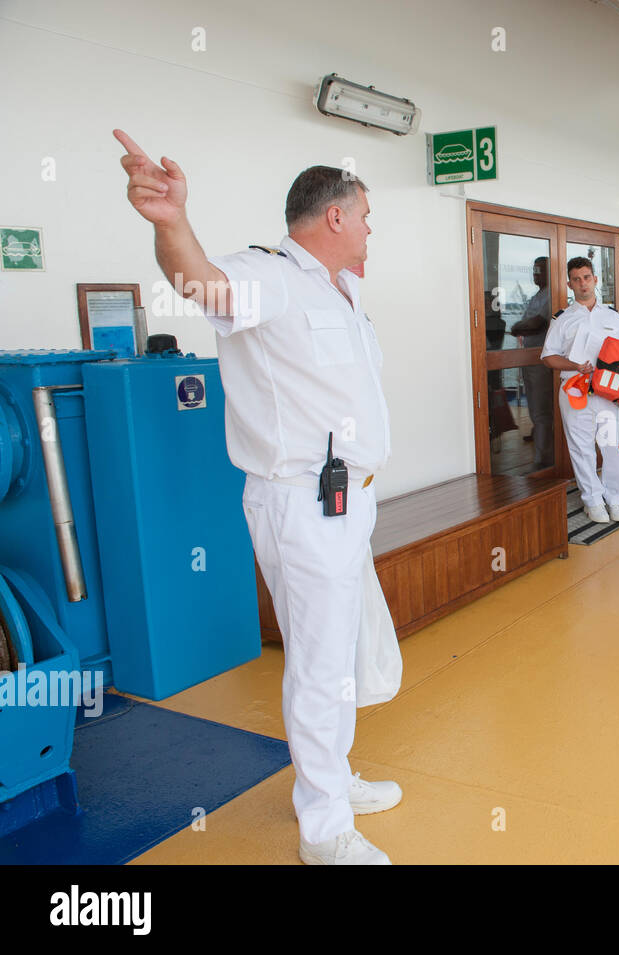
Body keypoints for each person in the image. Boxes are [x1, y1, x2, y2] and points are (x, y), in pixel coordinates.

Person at [114, 130, 399, 865]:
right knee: (319, 661)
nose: (371, 228)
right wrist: (171, 222)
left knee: (345, 647)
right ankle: (324, 829)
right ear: (334, 217)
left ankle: (333, 778)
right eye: (365, 214)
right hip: (302, 503)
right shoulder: (267, 276)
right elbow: (201, 283)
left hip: (348, 501)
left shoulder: (341, 290)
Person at [542, 257, 619, 524]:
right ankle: (593, 501)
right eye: (576, 279)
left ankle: (615, 499)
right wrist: (574, 365)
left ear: (595, 279)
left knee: (616, 446)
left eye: (586, 277)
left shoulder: (614, 318)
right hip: (575, 389)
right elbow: (549, 357)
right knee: (581, 448)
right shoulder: (563, 319)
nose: (582, 283)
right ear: (569, 284)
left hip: (609, 393)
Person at [510, 256, 555, 470]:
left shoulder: (551, 295)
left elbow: (536, 324)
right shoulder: (537, 295)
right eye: (534, 270)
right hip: (529, 360)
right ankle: (542, 453)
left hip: (541, 362)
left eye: (539, 270)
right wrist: (520, 326)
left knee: (542, 411)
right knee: (536, 411)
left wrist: (518, 327)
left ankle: (545, 461)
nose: (535, 274)